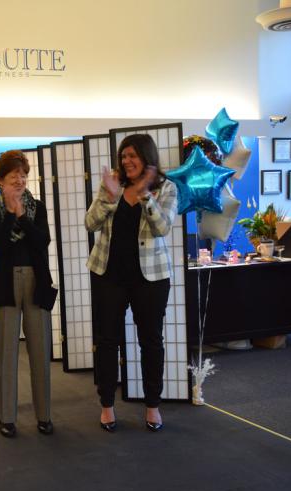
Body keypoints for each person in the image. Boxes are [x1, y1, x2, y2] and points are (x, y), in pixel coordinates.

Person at [84, 133, 177, 433]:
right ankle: (107, 406)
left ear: (147, 157)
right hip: (109, 275)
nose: (126, 161)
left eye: (132, 156)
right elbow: (90, 223)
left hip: (150, 278)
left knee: (151, 341)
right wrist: (110, 199)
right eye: (123, 156)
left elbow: (162, 227)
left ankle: (152, 406)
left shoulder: (166, 187)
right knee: (107, 341)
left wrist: (146, 195)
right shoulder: (112, 183)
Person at [0, 150, 57, 438]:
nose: (20, 180)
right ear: (0, 180)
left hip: (36, 281)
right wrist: (10, 215)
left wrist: (22, 215)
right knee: (6, 353)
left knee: (40, 350)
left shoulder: (37, 207)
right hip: (4, 283)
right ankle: (7, 418)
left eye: (24, 175)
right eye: (14, 176)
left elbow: (42, 241)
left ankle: (44, 416)